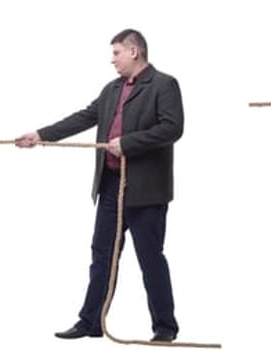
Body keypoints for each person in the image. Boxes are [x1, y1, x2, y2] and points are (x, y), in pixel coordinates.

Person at [11, 29, 186, 343]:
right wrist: (40, 135)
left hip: (145, 190)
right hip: (110, 187)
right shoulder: (111, 89)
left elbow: (172, 128)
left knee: (150, 258)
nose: (112, 59)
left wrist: (128, 144)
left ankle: (165, 328)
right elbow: (83, 118)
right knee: (102, 256)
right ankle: (90, 321)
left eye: (116, 52)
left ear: (134, 51)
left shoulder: (164, 84)